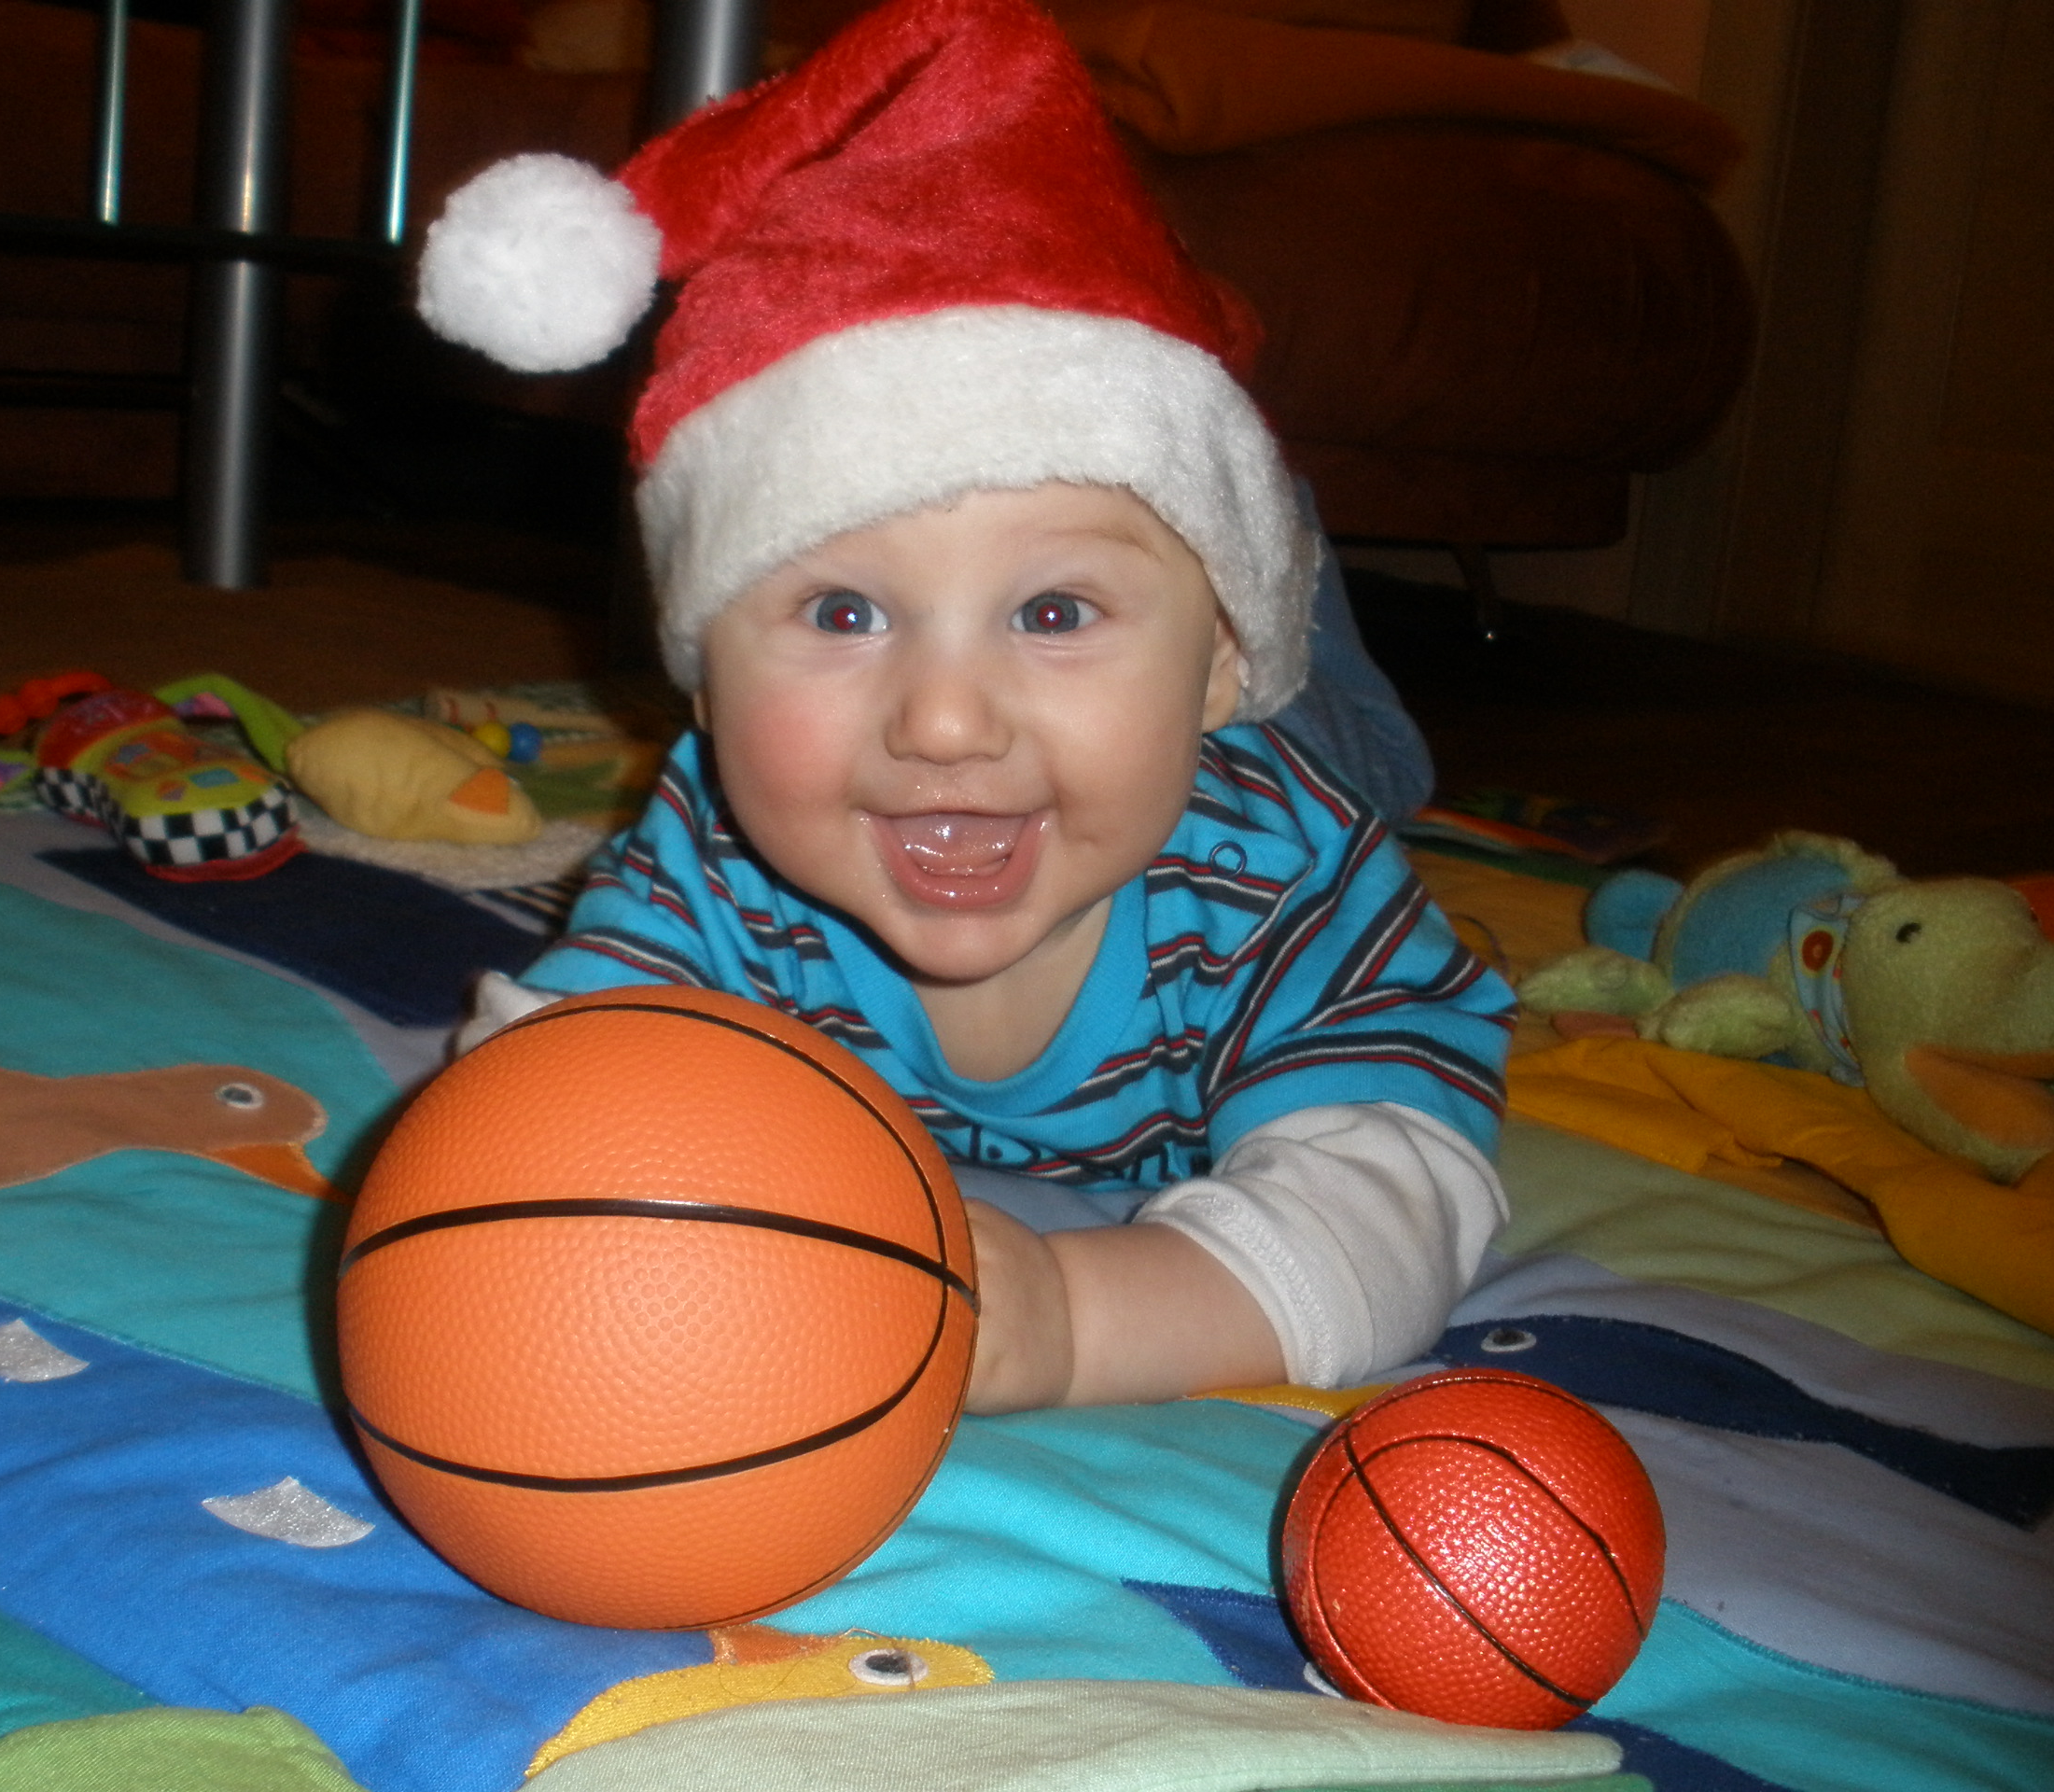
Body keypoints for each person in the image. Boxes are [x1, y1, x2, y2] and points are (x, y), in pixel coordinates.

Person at [414, 0, 1513, 1414]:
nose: (943, 723)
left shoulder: (1285, 880)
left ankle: (1271, 563)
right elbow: (541, 1088)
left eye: (1053, 614)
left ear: (1214, 664)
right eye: (842, 613)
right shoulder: (717, 853)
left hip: (1282, 735)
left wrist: (1075, 1316)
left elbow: (1394, 1205)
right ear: (702, 680)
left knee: (1356, 745)